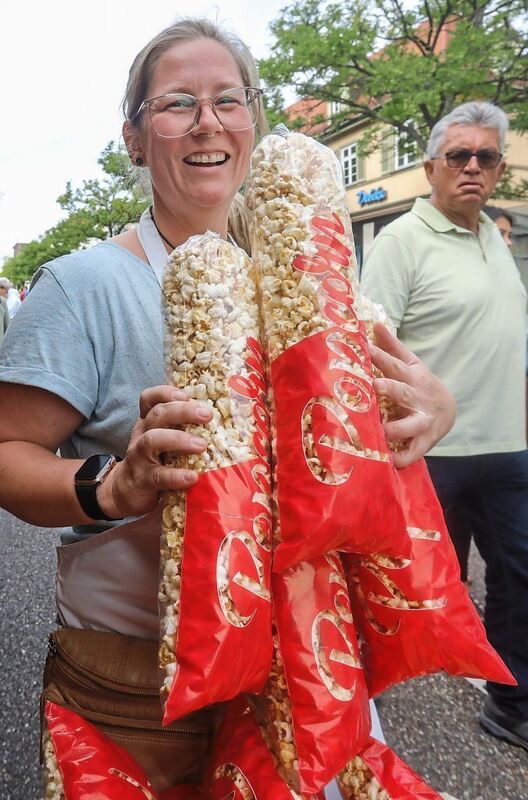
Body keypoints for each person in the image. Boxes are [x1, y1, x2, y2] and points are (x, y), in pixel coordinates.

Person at [0, 18, 455, 791]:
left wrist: (431, 414)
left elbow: (365, 444)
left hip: (312, 667)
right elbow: (8, 453)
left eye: (229, 100)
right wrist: (114, 485)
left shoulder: (319, 280)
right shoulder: (84, 286)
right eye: (177, 103)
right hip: (149, 684)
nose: (208, 121)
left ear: (253, 124)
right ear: (136, 140)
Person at [361, 101, 528, 751]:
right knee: (407, 587)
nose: (471, 167)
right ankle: (354, 715)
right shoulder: (402, 240)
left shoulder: (495, 236)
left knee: (520, 573)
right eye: (458, 155)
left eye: (486, 156)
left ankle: (511, 701)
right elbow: (365, 344)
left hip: (509, 444)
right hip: (432, 452)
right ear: (431, 166)